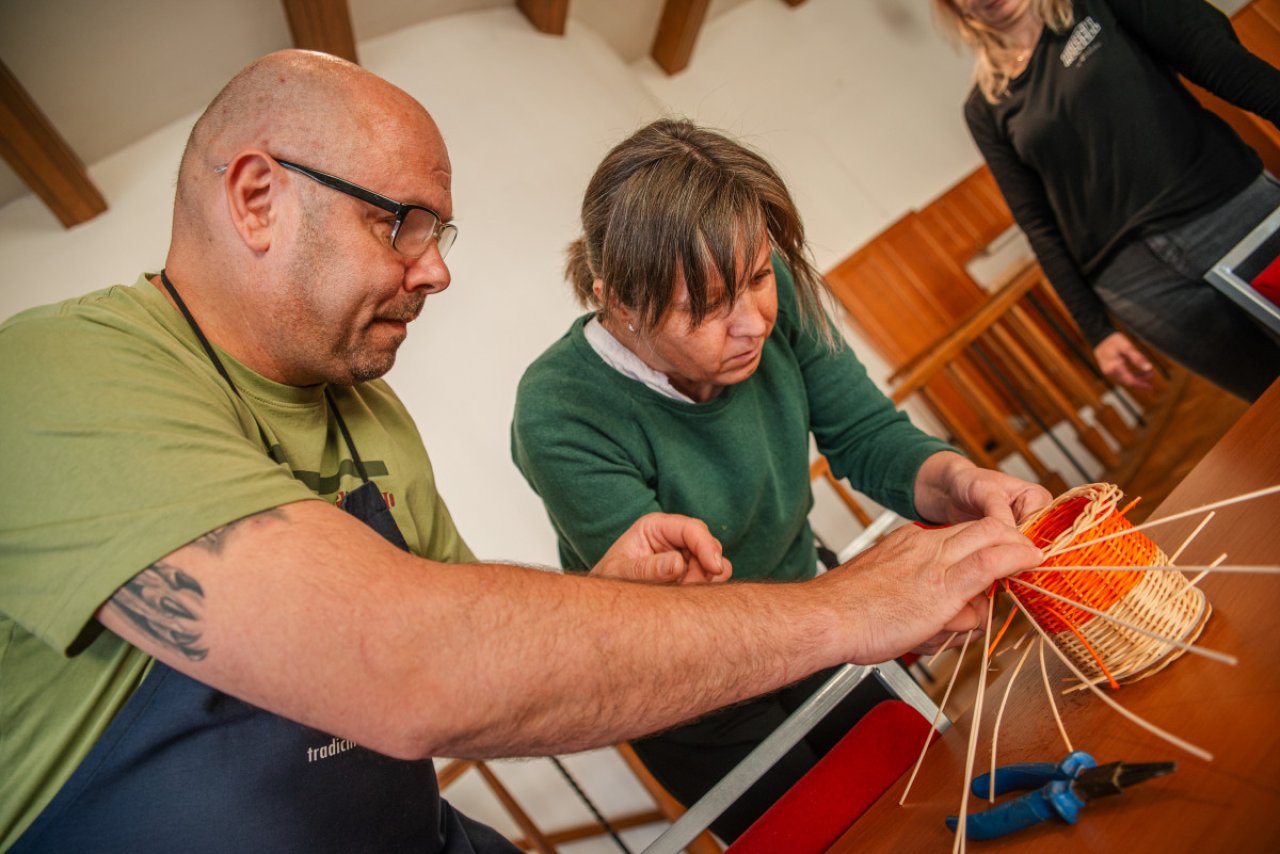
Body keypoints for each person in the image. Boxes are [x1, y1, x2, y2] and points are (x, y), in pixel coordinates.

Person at [0, 51, 1045, 854]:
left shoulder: (370, 419)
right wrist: (852, 606)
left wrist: (605, 596)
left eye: (439, 233)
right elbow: (412, 666)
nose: (436, 272)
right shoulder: (56, 376)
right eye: (402, 224)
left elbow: (483, 653)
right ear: (258, 196)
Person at [509, 118, 1053, 841]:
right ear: (621, 304)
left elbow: (865, 435)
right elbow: (687, 620)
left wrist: (960, 482)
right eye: (708, 305)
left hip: (815, 607)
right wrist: (870, 604)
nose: (753, 323)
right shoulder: (559, 409)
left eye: (760, 276)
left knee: (928, 803)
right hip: (695, 693)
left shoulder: (772, 299)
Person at [935, 0, 1280, 402]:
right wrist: (1096, 330)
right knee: (1268, 407)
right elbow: (1037, 223)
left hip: (1233, 216)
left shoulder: (1096, 6)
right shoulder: (984, 107)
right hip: (1141, 287)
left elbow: (1220, 61)